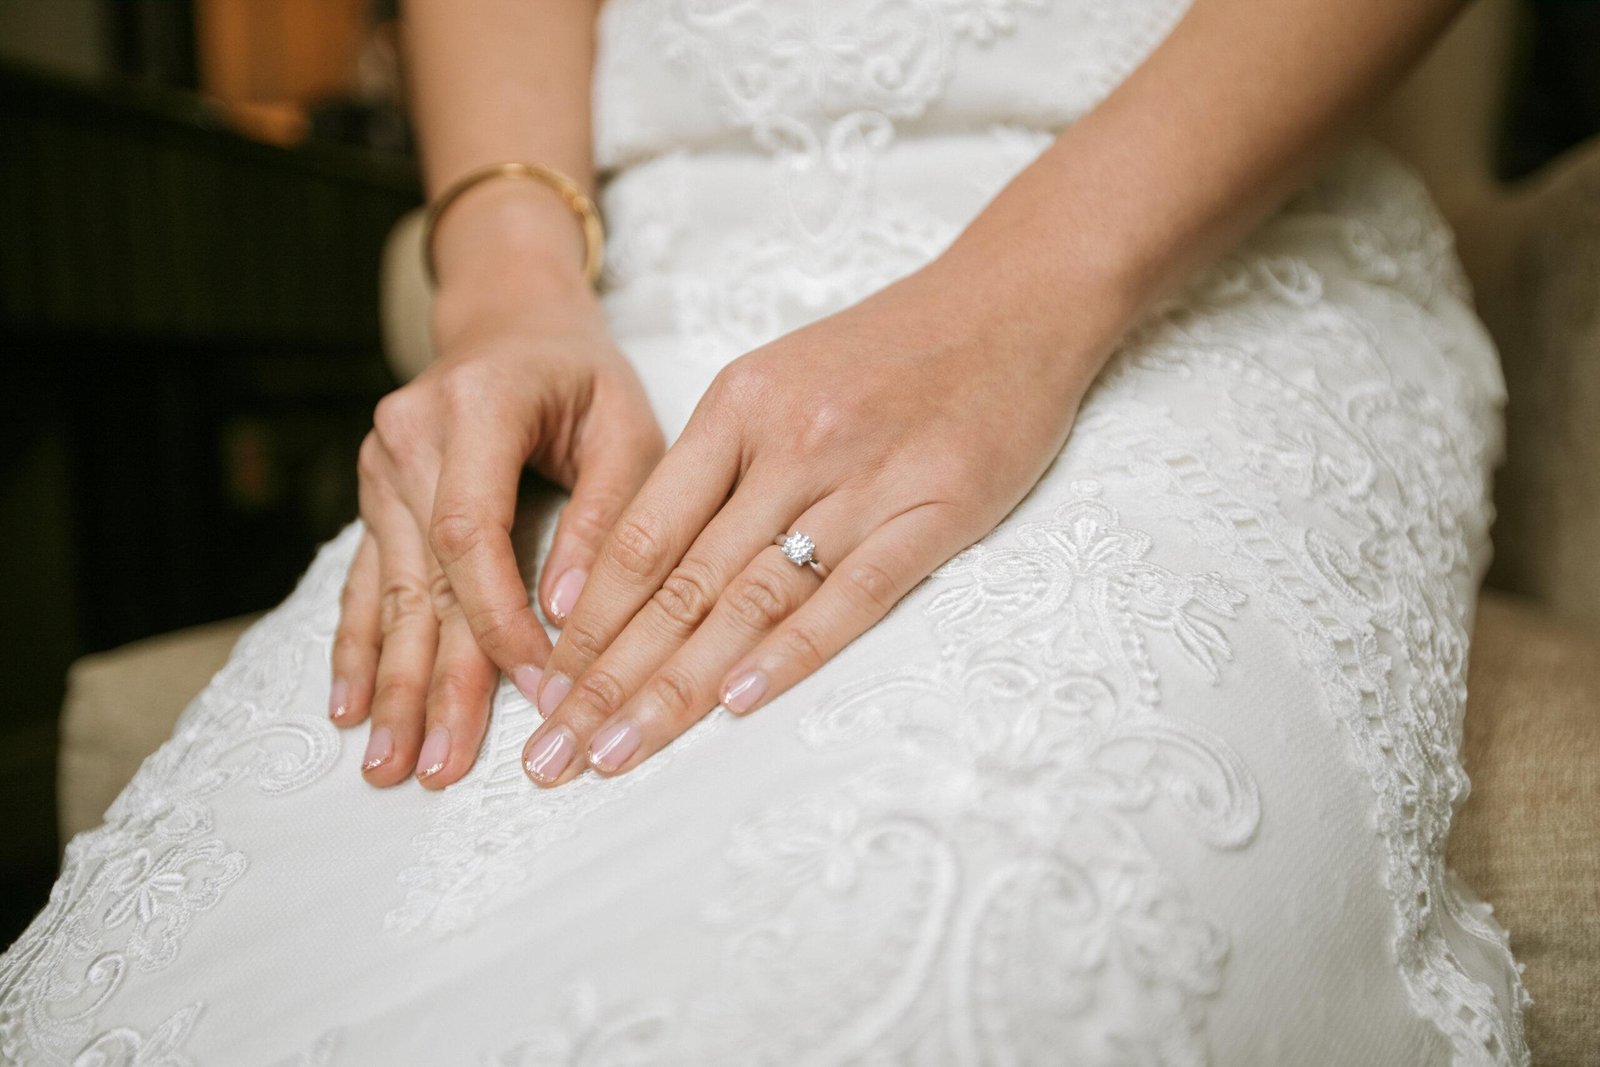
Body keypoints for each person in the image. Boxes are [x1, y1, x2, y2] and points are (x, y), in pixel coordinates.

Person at [0, 0, 1530, 1062]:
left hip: (1185, 263)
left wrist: (1013, 307)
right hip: (647, 311)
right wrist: (513, 292)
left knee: (960, 956)